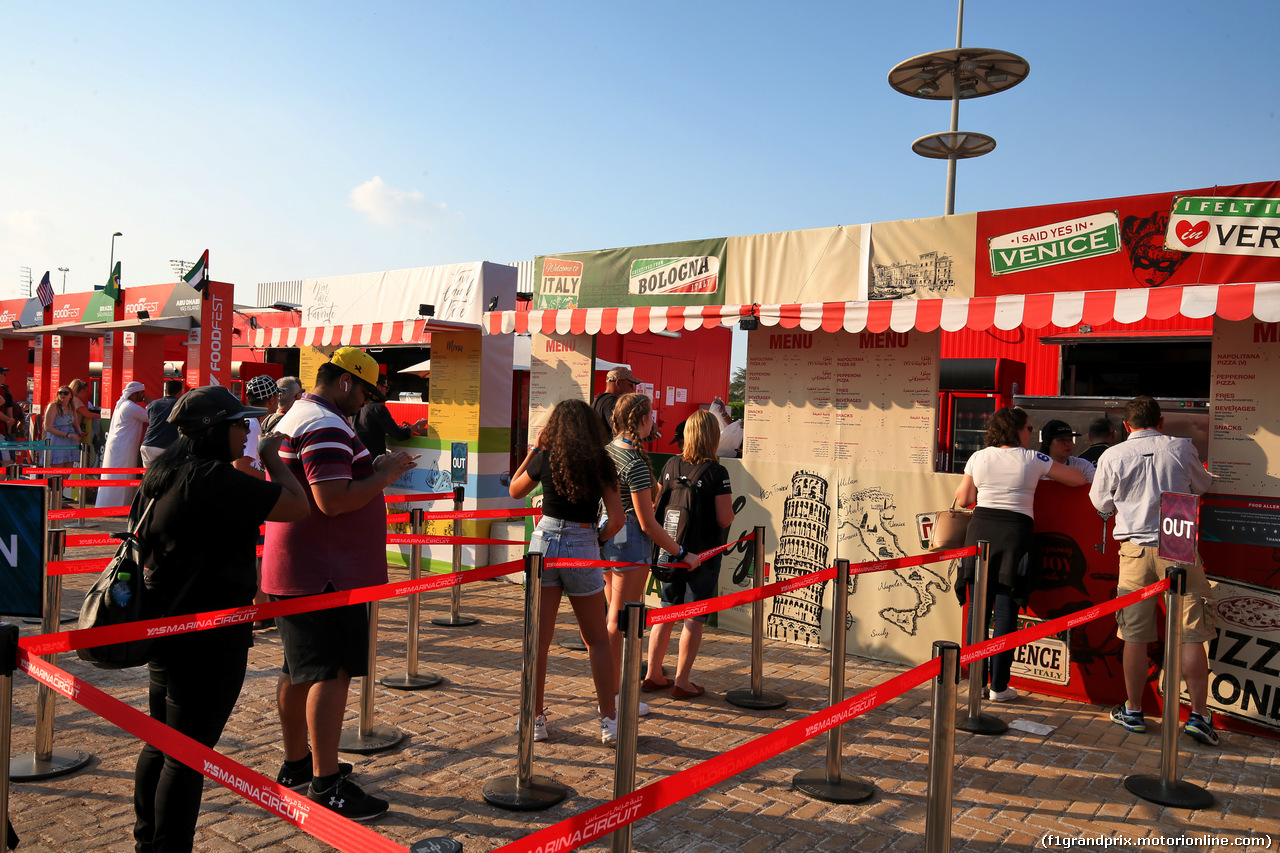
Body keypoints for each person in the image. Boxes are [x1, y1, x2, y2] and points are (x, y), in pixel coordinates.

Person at [131, 385, 309, 853]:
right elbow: (298, 506)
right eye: (240, 425)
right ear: (215, 431)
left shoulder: (165, 471)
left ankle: (147, 841)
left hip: (163, 625)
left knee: (161, 741)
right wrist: (271, 457)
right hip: (208, 636)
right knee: (187, 756)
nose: (248, 431)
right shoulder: (213, 479)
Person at [261, 347, 416, 820]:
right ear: (346, 383)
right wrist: (384, 474)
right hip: (327, 571)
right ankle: (326, 782)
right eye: (365, 391)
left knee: (299, 669)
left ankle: (298, 763)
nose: (366, 403)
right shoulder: (325, 424)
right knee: (330, 673)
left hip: (300, 565)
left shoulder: (296, 415)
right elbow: (332, 499)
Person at [1090, 395, 1219, 745]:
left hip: (1133, 548)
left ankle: (1133, 710)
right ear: (1160, 422)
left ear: (1126, 425)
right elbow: (1203, 486)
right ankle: (1198, 716)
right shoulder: (1181, 447)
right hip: (1177, 540)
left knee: (1133, 634)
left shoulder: (1112, 455)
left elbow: (1100, 503)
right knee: (1191, 632)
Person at [509, 398, 625, 744]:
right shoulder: (602, 463)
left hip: (543, 543)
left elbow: (515, 490)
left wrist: (533, 450)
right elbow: (617, 519)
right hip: (582, 544)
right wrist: (597, 539)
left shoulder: (547, 458)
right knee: (597, 640)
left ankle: (534, 718)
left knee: (538, 642)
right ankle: (609, 721)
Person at [953, 406, 1086, 702]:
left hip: (980, 533)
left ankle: (976, 682)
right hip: (1015, 536)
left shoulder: (979, 456)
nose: (1030, 433)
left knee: (977, 612)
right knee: (1005, 614)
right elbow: (1077, 479)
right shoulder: (1033, 458)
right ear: (1016, 431)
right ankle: (999, 686)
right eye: (1028, 428)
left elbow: (964, 499)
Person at [602, 394, 701, 711]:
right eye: (652, 417)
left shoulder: (608, 452)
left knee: (614, 617)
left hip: (605, 534)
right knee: (620, 621)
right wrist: (681, 552)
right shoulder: (633, 461)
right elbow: (647, 524)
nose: (655, 422)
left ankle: (615, 691)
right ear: (642, 420)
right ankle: (615, 698)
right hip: (628, 540)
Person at [643, 410, 734, 699]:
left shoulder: (670, 464)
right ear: (713, 437)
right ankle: (682, 681)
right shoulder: (717, 472)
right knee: (693, 618)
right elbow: (724, 518)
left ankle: (653, 674)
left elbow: (657, 502)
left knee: (666, 610)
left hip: (670, 551)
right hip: (702, 556)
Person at [96, 381, 149, 508]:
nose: (143, 395)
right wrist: (151, 403)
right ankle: (114, 506)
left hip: (122, 447)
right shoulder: (130, 407)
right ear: (134, 393)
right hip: (123, 448)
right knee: (119, 477)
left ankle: (117, 506)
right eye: (141, 393)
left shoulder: (125, 405)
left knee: (118, 476)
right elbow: (150, 417)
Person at [353, 373, 427, 457]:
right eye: (386, 387)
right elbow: (399, 435)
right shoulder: (378, 408)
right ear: (379, 388)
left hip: (358, 458)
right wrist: (417, 426)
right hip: (374, 460)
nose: (386, 391)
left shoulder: (356, 407)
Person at [234, 374, 280, 479]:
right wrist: (270, 480)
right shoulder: (252, 425)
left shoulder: (252, 420)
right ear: (272, 400)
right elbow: (241, 466)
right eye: (278, 396)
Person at [140, 380, 184, 466]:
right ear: (180, 392)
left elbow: (150, 419)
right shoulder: (180, 405)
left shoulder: (153, 404)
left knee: (148, 476)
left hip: (147, 445)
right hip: (166, 446)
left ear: (165, 391)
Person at [591, 366, 641, 441]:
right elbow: (621, 430)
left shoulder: (599, 400)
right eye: (631, 385)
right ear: (618, 382)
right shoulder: (611, 401)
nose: (633, 389)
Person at [42, 385, 80, 466]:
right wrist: (68, 435)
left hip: (70, 440)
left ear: (71, 396)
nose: (62, 395)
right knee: (57, 469)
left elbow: (75, 424)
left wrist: (80, 433)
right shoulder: (53, 406)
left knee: (68, 468)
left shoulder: (71, 407)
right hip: (57, 440)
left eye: (65, 393)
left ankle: (64, 479)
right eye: (60, 393)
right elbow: (47, 427)